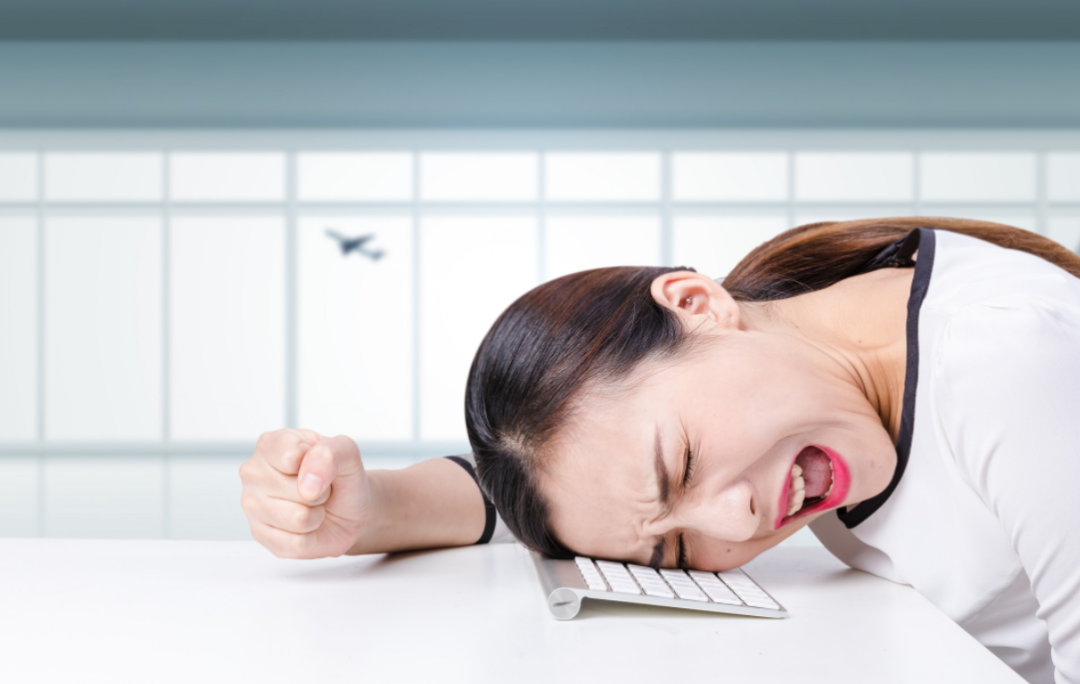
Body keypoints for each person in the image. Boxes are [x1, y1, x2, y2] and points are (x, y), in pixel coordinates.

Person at [239, 217, 1080, 684]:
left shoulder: (1008, 365)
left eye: (682, 466)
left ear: (695, 303)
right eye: (676, 552)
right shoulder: (792, 332)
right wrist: (369, 513)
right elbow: (569, 490)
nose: (738, 523)